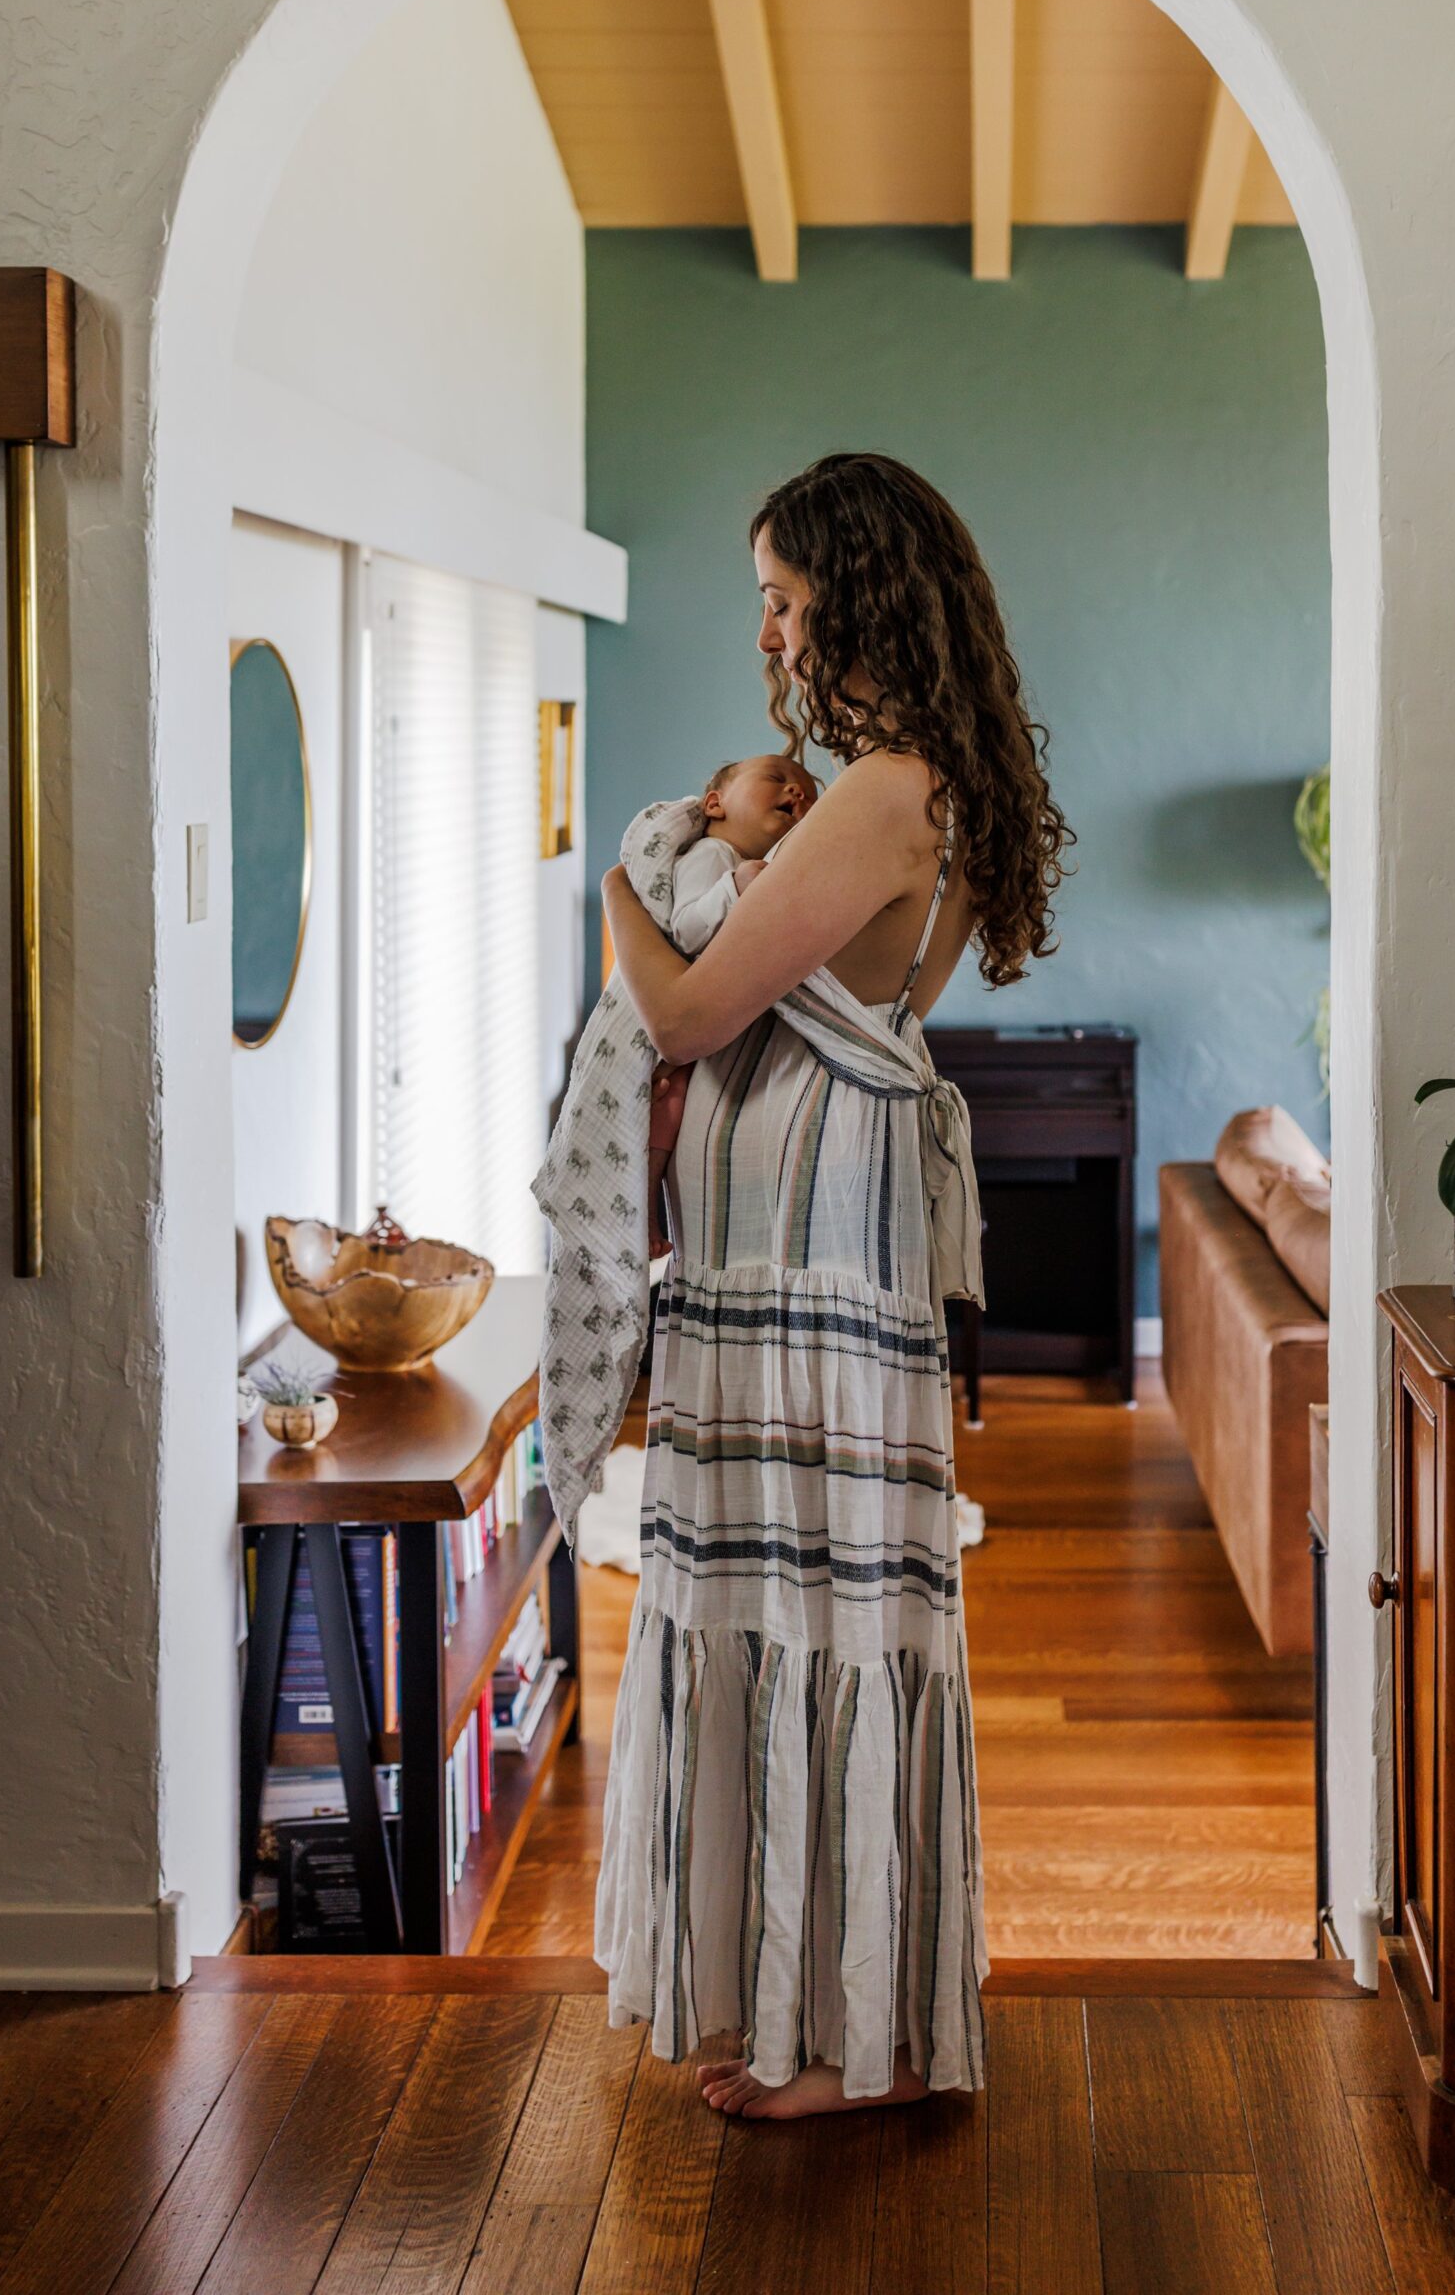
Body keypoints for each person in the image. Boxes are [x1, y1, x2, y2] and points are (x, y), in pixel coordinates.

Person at [594, 451, 1071, 2120]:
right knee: (820, 1611)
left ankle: (846, 2044)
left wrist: (618, 885)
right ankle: (840, 2018)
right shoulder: (913, 784)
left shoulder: (880, 795)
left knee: (807, 1614)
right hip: (808, 1247)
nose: (770, 635)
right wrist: (730, 834)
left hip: (801, 1261)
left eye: (785, 601)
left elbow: (680, 1015)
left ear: (856, 600)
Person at [646, 755, 818, 1257]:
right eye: (777, 780)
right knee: (668, 1098)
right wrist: (736, 885)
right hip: (684, 1002)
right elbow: (688, 930)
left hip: (715, 1010)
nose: (796, 794)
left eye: (808, 794)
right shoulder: (713, 855)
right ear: (716, 804)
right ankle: (646, 1205)